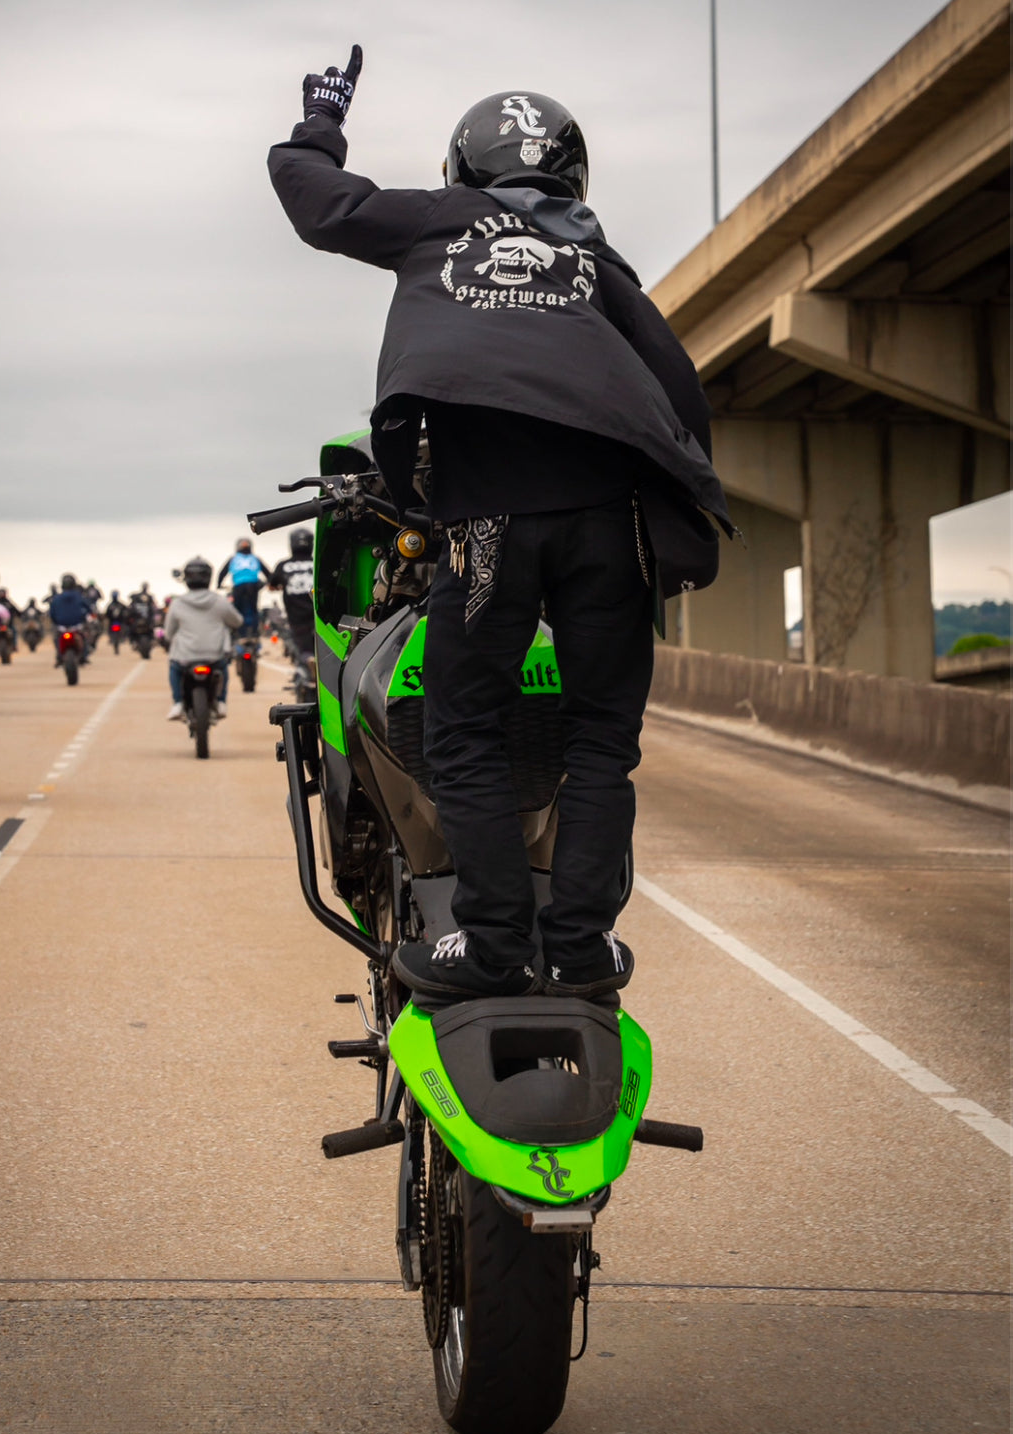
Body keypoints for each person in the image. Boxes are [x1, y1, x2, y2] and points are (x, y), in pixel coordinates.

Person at [269, 53, 732, 1003]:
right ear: (575, 176)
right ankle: (579, 948)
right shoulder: (595, 265)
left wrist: (319, 122)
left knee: (463, 730)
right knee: (601, 741)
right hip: (615, 527)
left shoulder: (445, 223)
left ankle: (488, 945)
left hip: (490, 525)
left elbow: (322, 205)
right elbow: (677, 394)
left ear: (461, 169)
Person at [163, 557, 241, 720]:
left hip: (185, 657)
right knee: (223, 667)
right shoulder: (220, 601)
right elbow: (237, 621)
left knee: (174, 667)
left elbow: (169, 633)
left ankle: (178, 703)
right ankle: (221, 702)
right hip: (214, 656)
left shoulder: (178, 603)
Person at [266, 528, 315, 661]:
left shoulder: (283, 565)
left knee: (302, 649)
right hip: (319, 615)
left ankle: (306, 664)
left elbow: (271, 585)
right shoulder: (317, 563)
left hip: (297, 617)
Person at [216, 538, 265, 638]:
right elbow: (268, 573)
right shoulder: (255, 558)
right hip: (253, 586)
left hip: (238, 586)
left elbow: (222, 573)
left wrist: (218, 584)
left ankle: (238, 632)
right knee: (253, 609)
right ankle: (254, 632)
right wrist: (271, 583)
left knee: (237, 610)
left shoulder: (233, 558)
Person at [48, 574, 93, 662]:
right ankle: (84, 656)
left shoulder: (57, 598)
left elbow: (52, 613)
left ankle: (59, 657)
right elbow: (89, 608)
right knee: (85, 636)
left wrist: (56, 622)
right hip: (76, 625)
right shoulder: (79, 596)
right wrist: (85, 616)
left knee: (56, 638)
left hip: (62, 626)